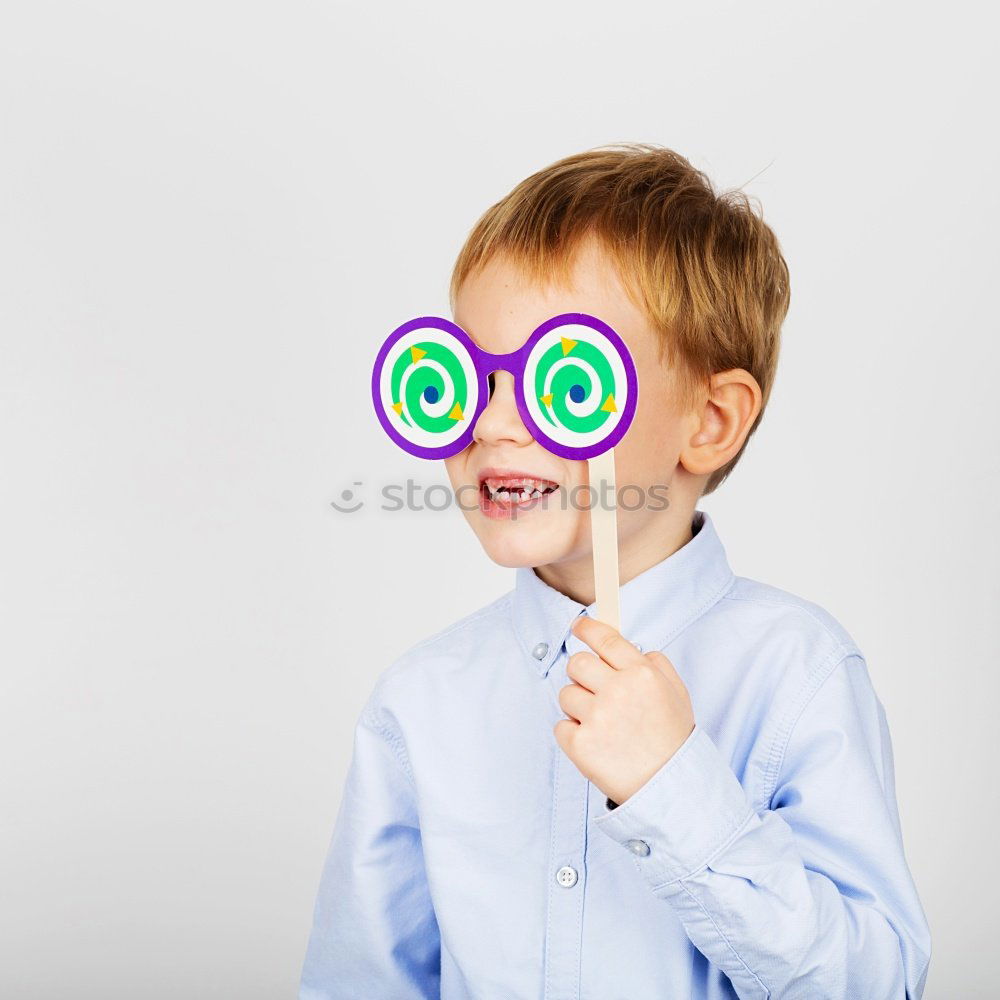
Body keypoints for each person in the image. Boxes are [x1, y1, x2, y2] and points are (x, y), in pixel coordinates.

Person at [299, 144, 932, 999]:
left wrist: (674, 786)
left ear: (709, 421)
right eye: (466, 379)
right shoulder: (419, 705)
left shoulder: (799, 674)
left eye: (562, 379)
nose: (492, 423)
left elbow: (874, 984)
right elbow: (360, 983)